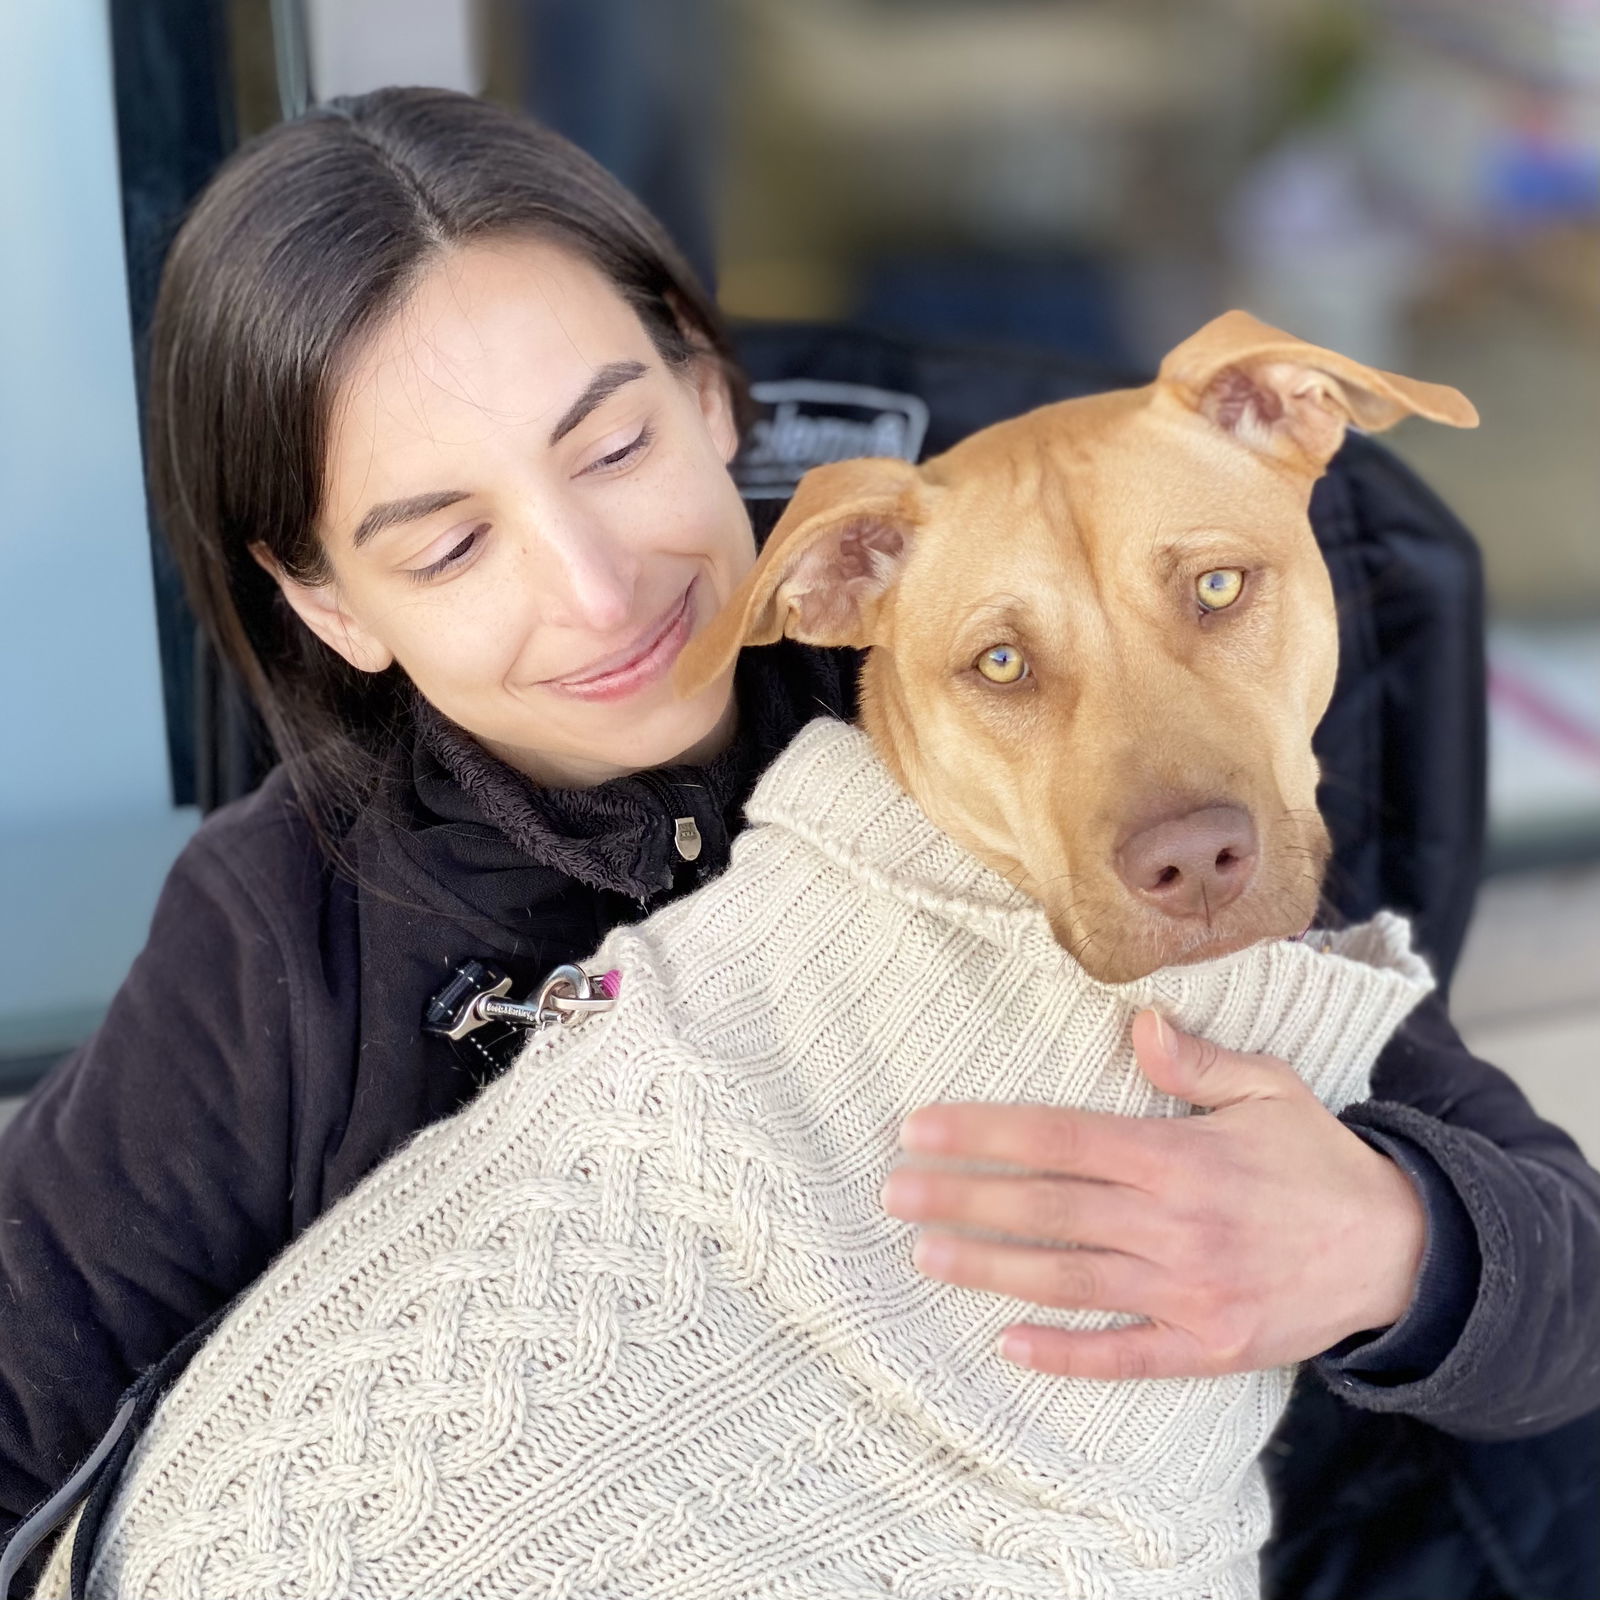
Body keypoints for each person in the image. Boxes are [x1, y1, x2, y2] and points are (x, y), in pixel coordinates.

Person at [1, 86, 1595, 1597]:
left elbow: (1565, 1280)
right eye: (454, 539)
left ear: (709, 396)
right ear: (330, 603)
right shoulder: (290, 936)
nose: (595, 587)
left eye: (615, 449)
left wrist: (1395, 1245)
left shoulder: (1013, 719)